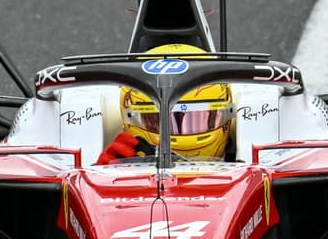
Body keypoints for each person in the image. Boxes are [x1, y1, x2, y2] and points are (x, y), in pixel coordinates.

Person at [96, 43, 234, 165]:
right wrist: (101, 177)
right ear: (129, 117)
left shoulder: (250, 167)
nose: (182, 137)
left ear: (227, 118)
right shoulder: (114, 163)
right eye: (158, 121)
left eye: (199, 119)